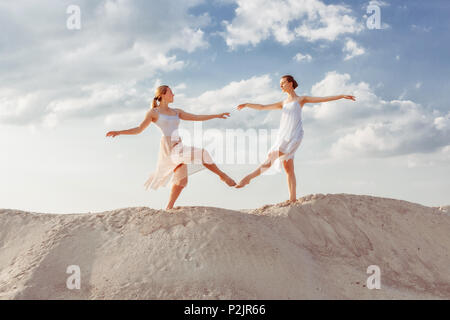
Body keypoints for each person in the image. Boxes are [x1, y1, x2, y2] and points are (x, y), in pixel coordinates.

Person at [106, 85, 236, 209]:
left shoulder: (176, 112)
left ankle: (169, 207)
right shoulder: (153, 112)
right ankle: (222, 175)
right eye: (170, 92)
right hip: (169, 148)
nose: (173, 94)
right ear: (163, 94)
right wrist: (119, 132)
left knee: (182, 181)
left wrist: (216, 115)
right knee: (202, 153)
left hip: (178, 145)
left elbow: (196, 117)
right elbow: (139, 129)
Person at [235, 75, 356, 204]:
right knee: (288, 168)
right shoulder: (283, 103)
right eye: (280, 83)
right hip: (283, 136)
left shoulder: (301, 99)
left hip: (294, 136)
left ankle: (248, 178)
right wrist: (247, 104)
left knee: (272, 156)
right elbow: (262, 107)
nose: (280, 85)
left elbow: (322, 99)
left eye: (283, 83)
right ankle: (292, 199)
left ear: (291, 83)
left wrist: (341, 96)